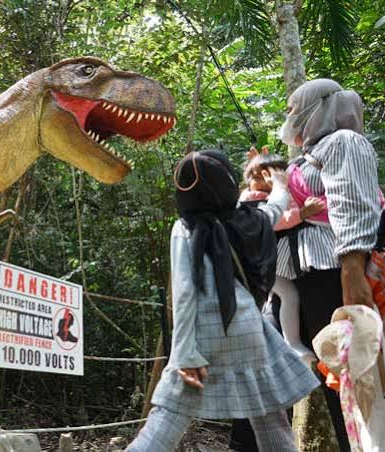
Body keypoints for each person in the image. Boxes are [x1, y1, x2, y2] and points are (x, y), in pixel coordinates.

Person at [127, 150, 319, 452]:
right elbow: (275, 207)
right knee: (270, 419)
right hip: (249, 331)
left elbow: (185, 294)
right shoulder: (246, 219)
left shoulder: (185, 229)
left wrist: (184, 354)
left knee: (168, 419)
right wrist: (279, 180)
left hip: (203, 337)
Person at [276, 79, 382, 451]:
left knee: (357, 375)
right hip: (307, 275)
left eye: (293, 108)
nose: (289, 116)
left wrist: (352, 270)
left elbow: (352, 200)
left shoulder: (343, 142)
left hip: (334, 273)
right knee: (333, 374)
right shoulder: (311, 154)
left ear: (317, 108)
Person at [240, 151, 325, 359]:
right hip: (260, 265)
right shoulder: (251, 200)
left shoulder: (270, 196)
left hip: (269, 263)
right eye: (257, 177)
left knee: (277, 299)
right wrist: (304, 212)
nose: (263, 183)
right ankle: (293, 343)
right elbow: (276, 219)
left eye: (268, 177)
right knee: (289, 295)